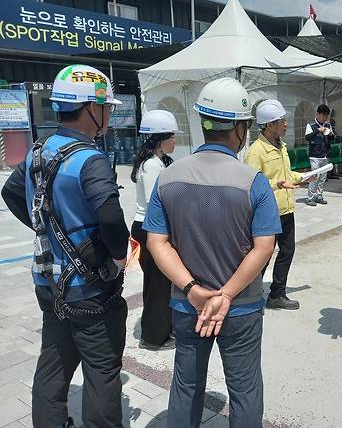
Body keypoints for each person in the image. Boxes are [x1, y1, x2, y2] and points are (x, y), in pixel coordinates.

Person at [144, 77, 280, 428]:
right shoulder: (254, 181)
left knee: (186, 386)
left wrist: (192, 289)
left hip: (187, 304)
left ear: (203, 121)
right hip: (242, 306)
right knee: (245, 388)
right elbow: (265, 246)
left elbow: (157, 243)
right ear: (239, 127)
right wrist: (226, 295)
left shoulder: (168, 178)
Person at [1, 64, 129, 428]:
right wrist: (119, 257)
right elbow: (109, 219)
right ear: (93, 108)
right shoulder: (91, 159)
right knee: (103, 370)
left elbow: (10, 192)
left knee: (53, 364)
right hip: (90, 290)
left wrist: (45, 232)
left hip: (49, 284)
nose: (108, 114)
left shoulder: (38, 151)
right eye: (106, 107)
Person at [245, 99, 310, 310]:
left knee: (287, 251)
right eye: (281, 120)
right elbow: (252, 184)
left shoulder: (281, 146)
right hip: (267, 213)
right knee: (261, 255)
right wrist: (277, 184)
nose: (286, 124)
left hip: (286, 209)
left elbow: (286, 175)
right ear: (269, 124)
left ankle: (277, 294)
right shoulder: (256, 152)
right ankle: (251, 297)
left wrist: (303, 177)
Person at [131, 110, 181, 350]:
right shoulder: (151, 165)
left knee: (162, 282)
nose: (175, 141)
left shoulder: (159, 162)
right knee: (157, 284)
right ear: (160, 138)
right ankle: (153, 337)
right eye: (172, 136)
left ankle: (162, 328)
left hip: (154, 226)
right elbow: (155, 202)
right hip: (149, 227)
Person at [305, 104, 334, 206]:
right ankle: (310, 198)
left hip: (325, 154)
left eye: (326, 116)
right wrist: (317, 130)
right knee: (314, 177)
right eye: (323, 115)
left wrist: (331, 135)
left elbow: (332, 138)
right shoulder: (311, 125)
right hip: (315, 155)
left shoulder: (328, 125)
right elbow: (307, 137)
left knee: (322, 178)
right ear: (317, 114)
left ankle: (319, 196)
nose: (325, 118)